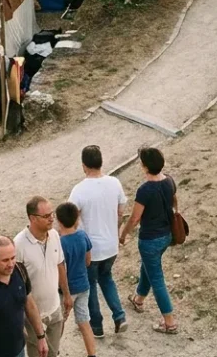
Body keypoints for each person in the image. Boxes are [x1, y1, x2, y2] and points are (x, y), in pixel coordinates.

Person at [118, 147, 180, 335]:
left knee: (157, 279)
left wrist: (123, 234)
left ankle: (169, 322)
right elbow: (175, 202)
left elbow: (135, 218)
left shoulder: (145, 190)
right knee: (148, 267)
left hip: (150, 239)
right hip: (166, 235)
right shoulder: (169, 180)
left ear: (144, 166)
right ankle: (138, 299)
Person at [68, 145, 128, 338]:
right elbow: (120, 213)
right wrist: (115, 231)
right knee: (107, 279)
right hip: (111, 246)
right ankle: (119, 316)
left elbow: (72, 220)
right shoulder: (114, 183)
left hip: (91, 249)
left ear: (84, 166)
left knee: (91, 284)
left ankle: (97, 325)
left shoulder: (78, 190)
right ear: (101, 162)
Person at [15, 197, 71, 357]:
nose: (52, 218)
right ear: (32, 218)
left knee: (53, 353)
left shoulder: (54, 235)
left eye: (52, 214)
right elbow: (18, 285)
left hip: (54, 309)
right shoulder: (19, 245)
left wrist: (67, 294)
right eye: (46, 216)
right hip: (32, 316)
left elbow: (60, 264)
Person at [55, 203, 97, 357]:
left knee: (58, 323)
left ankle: (54, 349)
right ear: (76, 219)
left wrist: (66, 294)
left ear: (59, 221)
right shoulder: (82, 235)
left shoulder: (59, 243)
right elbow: (88, 261)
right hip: (83, 286)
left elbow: (61, 272)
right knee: (84, 322)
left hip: (66, 290)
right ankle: (92, 354)